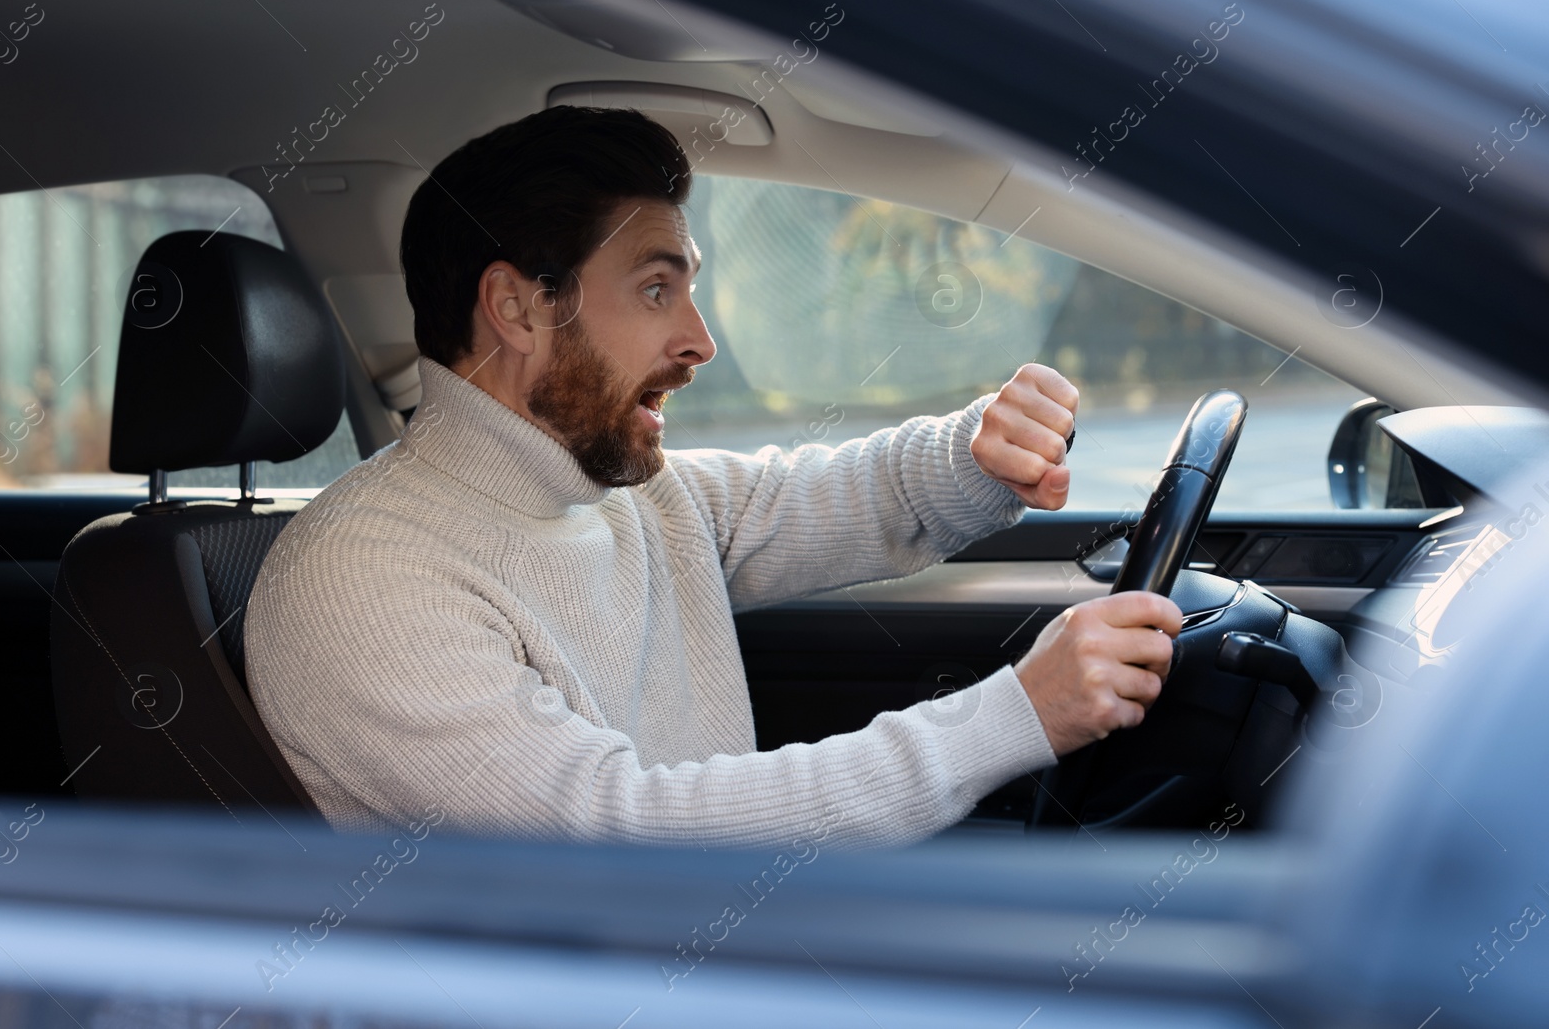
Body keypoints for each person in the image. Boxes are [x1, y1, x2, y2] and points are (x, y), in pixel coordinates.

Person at [245, 106, 1181, 848]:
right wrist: (1016, 715)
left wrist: (981, 447)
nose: (700, 339)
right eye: (657, 289)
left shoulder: (622, 491)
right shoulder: (365, 577)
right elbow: (623, 841)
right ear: (518, 306)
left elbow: (856, 494)